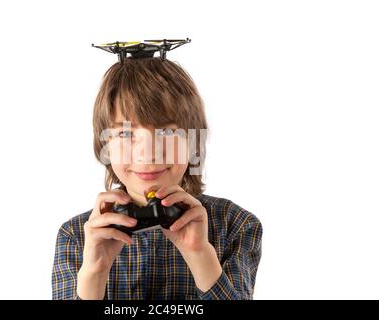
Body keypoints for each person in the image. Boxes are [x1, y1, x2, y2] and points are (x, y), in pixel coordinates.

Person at [52, 57, 263, 300]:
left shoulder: (236, 224)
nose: (148, 152)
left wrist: (200, 254)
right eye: (125, 133)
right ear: (105, 145)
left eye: (168, 131)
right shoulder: (77, 235)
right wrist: (94, 273)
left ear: (193, 141)